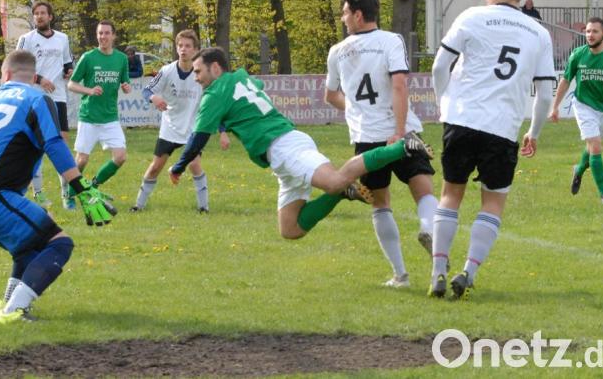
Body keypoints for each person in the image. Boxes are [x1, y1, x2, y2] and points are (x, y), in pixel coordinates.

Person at [169, 47, 434, 239]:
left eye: (198, 71)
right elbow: (252, 88)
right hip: (281, 152)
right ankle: (340, 194)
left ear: (215, 68)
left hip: (285, 147)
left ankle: (404, 145)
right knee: (291, 230)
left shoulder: (214, 93)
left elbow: (198, 138)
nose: (196, 77)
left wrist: (179, 166)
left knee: (336, 179)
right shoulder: (240, 76)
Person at [0, 51, 114, 324]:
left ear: (5, 75)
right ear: (34, 76)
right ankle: (13, 313)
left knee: (29, 247)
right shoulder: (37, 98)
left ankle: (8, 302)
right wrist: (81, 188)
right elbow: (54, 144)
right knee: (60, 244)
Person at [430, 0, 555, 300]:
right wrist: (534, 132)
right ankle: (468, 272)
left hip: (462, 120)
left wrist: (444, 102)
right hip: (502, 129)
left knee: (450, 194)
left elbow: (440, 65)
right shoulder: (539, 33)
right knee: (493, 202)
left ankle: (438, 270)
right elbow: (545, 93)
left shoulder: (471, 16)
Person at [325, 0, 438, 288]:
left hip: (366, 137)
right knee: (423, 188)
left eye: (345, 12)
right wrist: (399, 133)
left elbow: (329, 95)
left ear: (358, 15)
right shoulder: (391, 40)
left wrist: (357, 109)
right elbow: (399, 85)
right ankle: (429, 229)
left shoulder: (337, 50)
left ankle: (400, 275)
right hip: (400, 131)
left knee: (380, 202)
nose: (343, 18)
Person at [130, 29, 229, 213]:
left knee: (194, 164)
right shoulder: (167, 71)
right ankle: (138, 205)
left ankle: (203, 207)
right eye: (180, 46)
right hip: (170, 127)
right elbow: (147, 91)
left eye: (188, 46)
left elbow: (215, 105)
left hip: (193, 128)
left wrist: (223, 131)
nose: (183, 50)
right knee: (156, 167)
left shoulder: (203, 74)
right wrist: (154, 98)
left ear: (196, 50)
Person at [550, 17, 603, 205]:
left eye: (594, 31)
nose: (590, 35)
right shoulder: (577, 54)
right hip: (582, 105)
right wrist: (555, 107)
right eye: (587, 31)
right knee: (595, 145)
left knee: (592, 146)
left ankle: (578, 170)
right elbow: (565, 81)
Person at [16, 1, 75, 210]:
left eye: (43, 13)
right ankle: (38, 193)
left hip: (58, 97)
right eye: (36, 14)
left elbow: (68, 63)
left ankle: (67, 194)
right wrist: (40, 79)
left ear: (50, 17)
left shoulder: (62, 38)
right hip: (34, 97)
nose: (39, 17)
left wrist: (69, 72)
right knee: (36, 146)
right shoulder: (26, 39)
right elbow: (18, 67)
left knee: (62, 145)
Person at [67, 20, 132, 194]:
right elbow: (71, 84)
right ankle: (70, 193)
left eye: (106, 33)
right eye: (100, 33)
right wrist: (89, 90)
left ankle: (94, 184)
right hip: (89, 117)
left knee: (120, 157)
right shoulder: (88, 58)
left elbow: (126, 83)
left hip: (110, 118)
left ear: (113, 35)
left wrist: (126, 87)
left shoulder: (122, 59)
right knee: (81, 160)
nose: (103, 37)